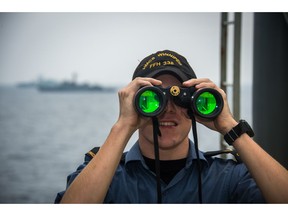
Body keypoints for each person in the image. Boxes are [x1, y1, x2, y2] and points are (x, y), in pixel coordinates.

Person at [55, 50, 288, 203]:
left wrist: (229, 126)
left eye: (180, 97)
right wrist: (123, 125)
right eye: (152, 99)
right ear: (134, 103)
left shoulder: (229, 178)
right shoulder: (105, 176)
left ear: (194, 104)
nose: (168, 108)